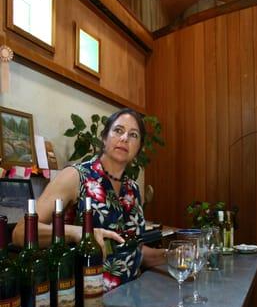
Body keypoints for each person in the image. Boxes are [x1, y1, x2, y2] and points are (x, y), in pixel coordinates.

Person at [12, 108, 167, 291]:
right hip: (84, 302)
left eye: (133, 135)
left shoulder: (132, 189)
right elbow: (20, 232)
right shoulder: (76, 177)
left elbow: (133, 251)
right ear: (104, 137)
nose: (125, 138)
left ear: (138, 148)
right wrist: (76, 233)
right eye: (118, 130)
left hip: (129, 301)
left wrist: (170, 255)